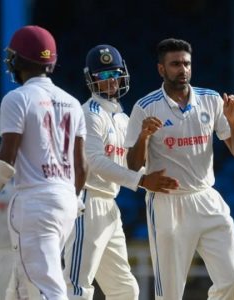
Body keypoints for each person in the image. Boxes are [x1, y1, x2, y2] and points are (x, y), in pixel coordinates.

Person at [0, 25, 87, 300]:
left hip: (34, 204)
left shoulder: (17, 99)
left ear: (19, 60)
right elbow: (82, 166)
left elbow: (5, 160)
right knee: (19, 290)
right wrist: (73, 200)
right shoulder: (73, 103)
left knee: (46, 290)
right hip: (66, 201)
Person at [124, 38, 234, 300]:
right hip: (168, 203)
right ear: (161, 69)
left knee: (232, 278)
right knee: (169, 293)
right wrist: (144, 136)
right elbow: (133, 166)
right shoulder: (145, 107)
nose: (183, 70)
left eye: (187, 64)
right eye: (175, 64)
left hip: (206, 197)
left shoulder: (211, 99)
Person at [62, 44, 179, 300]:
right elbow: (94, 162)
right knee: (78, 286)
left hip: (109, 207)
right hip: (86, 202)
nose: (111, 80)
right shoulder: (89, 114)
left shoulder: (123, 119)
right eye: (104, 75)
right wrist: (142, 180)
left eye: (115, 72)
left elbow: (132, 164)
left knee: (125, 290)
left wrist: (162, 170)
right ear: (91, 79)